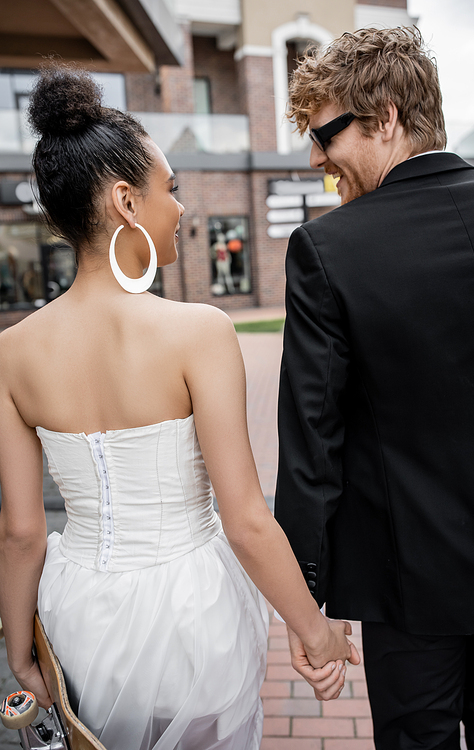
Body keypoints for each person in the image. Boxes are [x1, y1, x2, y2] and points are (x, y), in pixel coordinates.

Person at [0, 65, 359, 750]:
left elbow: (21, 533)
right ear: (126, 202)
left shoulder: (11, 353)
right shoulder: (199, 331)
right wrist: (315, 632)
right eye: (173, 190)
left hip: (77, 610)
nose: (183, 209)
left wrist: (20, 651)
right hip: (190, 615)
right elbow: (248, 520)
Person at [275, 26, 474, 750]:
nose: (316, 159)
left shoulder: (328, 248)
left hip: (408, 584)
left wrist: (310, 601)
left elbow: (311, 442)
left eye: (325, 134)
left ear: (388, 118)